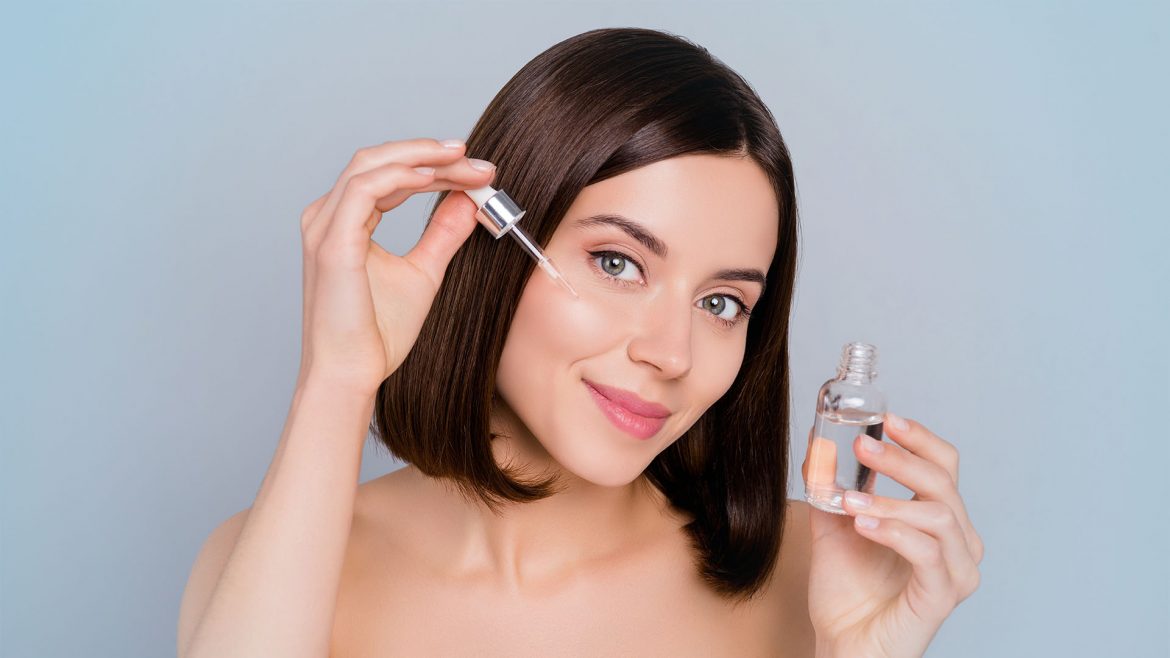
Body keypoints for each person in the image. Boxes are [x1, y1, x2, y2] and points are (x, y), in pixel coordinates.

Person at [177, 27, 983, 657]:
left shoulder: (811, 576)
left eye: (722, 303)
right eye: (617, 262)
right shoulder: (279, 560)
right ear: (493, 245)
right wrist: (337, 380)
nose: (672, 353)